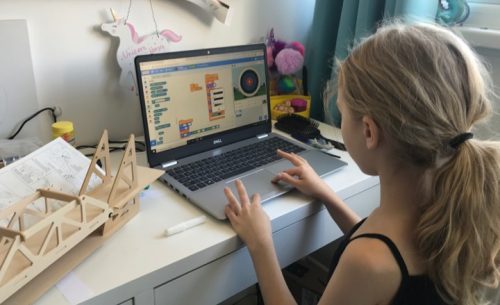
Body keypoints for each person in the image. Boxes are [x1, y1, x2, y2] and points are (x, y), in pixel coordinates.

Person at [224, 21, 500, 305]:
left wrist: (260, 244)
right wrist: (325, 195)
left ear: (369, 131)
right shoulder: (442, 210)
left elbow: (373, 259)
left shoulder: (366, 261)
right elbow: (383, 250)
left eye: (341, 111)